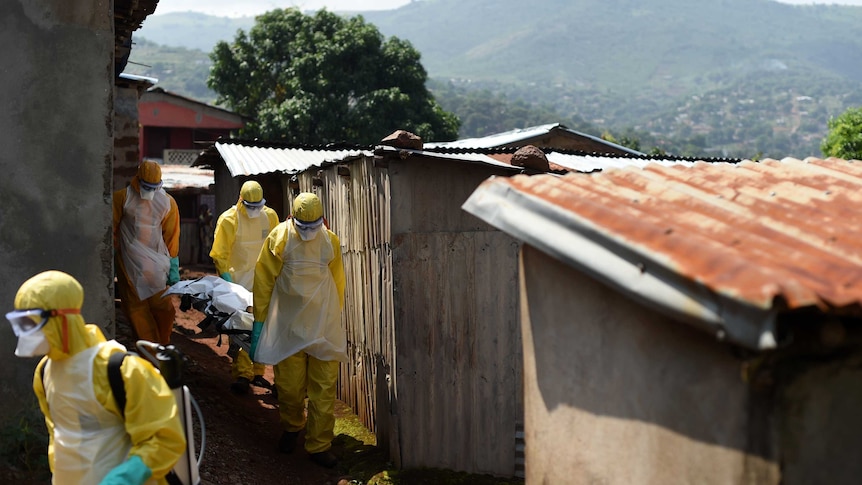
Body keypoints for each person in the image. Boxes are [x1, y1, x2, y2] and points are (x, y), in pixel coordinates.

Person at [5, 270, 186, 484]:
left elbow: (165, 438)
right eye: (21, 323)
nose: (26, 333)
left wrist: (128, 476)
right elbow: (59, 439)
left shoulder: (122, 370)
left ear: (62, 318)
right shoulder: (45, 372)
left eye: (31, 323)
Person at [251, 192, 346, 469]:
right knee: (290, 388)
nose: (308, 233)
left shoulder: (331, 242)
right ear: (291, 218)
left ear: (322, 221)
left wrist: (334, 316)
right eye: (302, 227)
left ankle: (319, 445)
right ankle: (292, 428)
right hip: (289, 326)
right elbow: (264, 279)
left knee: (324, 389)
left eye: (313, 227)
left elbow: (338, 282)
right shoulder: (279, 238)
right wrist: (260, 320)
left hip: (322, 326)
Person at [209, 180, 280, 394]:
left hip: (264, 281)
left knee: (266, 327)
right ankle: (242, 373)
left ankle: (259, 372)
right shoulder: (229, 220)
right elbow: (219, 254)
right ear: (241, 201)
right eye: (250, 206)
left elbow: (277, 247)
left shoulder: (270, 216)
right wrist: (229, 282)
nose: (254, 211)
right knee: (241, 328)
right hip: (238, 282)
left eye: (258, 206)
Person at [112, 160, 180, 346]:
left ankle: (163, 347)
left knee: (164, 310)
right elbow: (112, 229)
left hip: (156, 265)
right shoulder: (122, 198)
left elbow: (171, 234)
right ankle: (151, 355)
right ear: (137, 180)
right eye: (146, 186)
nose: (149, 190)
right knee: (137, 312)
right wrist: (111, 255)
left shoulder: (167, 203)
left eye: (154, 187)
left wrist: (173, 264)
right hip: (129, 264)